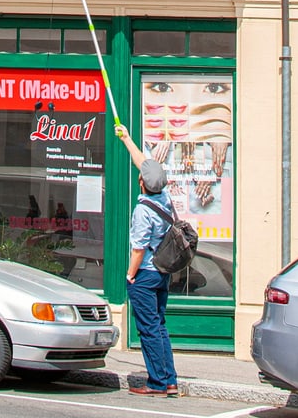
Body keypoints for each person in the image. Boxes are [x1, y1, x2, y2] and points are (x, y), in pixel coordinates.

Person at [115, 122, 179, 397]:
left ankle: (156, 383)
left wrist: (130, 275)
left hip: (145, 274)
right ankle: (169, 380)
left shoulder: (143, 211)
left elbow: (138, 249)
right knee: (159, 326)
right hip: (162, 272)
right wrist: (127, 139)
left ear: (141, 183)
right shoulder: (164, 198)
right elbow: (144, 163)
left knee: (149, 329)